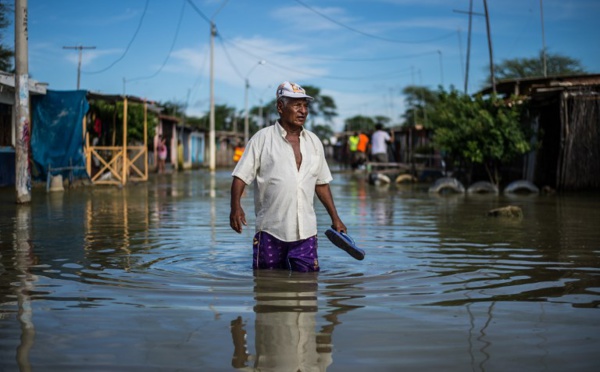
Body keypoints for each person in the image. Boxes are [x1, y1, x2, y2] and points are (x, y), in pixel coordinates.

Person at [229, 81, 347, 272]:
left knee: (308, 288)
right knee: (266, 286)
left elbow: (322, 184)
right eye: (296, 105)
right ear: (280, 107)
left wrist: (336, 218)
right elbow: (240, 176)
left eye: (305, 105)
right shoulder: (262, 139)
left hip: (306, 232)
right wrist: (235, 207)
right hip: (270, 230)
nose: (303, 111)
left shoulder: (314, 142)